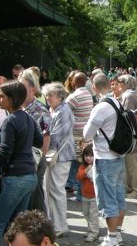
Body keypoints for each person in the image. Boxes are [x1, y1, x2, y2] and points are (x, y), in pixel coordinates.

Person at [0, 81, 43, 246]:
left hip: (15, 177)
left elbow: (4, 152)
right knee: (18, 225)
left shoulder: (10, 120)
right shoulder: (27, 118)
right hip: (29, 176)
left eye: (2, 96)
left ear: (12, 99)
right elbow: (38, 141)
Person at [83, 73, 127, 246]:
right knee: (118, 198)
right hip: (118, 156)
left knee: (108, 200)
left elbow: (86, 134)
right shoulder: (116, 101)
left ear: (94, 87)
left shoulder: (101, 107)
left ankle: (111, 240)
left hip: (105, 158)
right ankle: (117, 234)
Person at [41, 82, 75, 237]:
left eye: (51, 95)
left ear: (60, 96)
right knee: (49, 189)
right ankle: (53, 223)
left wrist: (42, 141)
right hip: (53, 155)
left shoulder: (64, 110)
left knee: (57, 190)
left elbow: (58, 135)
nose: (48, 98)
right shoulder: (53, 109)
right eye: (46, 95)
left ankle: (61, 226)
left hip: (61, 155)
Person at [19, 69, 51, 213]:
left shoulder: (39, 110)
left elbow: (46, 137)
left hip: (35, 161)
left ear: (32, 89)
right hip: (24, 160)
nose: (19, 91)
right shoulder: (21, 109)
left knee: (36, 200)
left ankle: (43, 231)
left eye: (23, 87)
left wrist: (38, 160)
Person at [65, 72, 93, 200]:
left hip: (75, 135)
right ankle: (75, 187)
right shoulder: (88, 94)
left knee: (79, 163)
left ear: (74, 82)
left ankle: (80, 194)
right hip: (85, 134)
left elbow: (64, 115)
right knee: (81, 163)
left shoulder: (73, 97)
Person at [118, 74, 137, 199]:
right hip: (135, 132)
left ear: (124, 84)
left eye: (120, 83)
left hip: (133, 134)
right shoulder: (131, 94)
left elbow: (126, 116)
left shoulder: (128, 96)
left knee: (133, 163)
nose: (118, 86)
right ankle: (132, 188)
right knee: (131, 162)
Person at [77, 144, 99, 242]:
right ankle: (91, 229)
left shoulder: (97, 166)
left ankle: (94, 233)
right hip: (85, 195)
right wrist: (86, 170)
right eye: (86, 156)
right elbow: (78, 176)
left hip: (95, 196)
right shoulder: (83, 166)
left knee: (93, 215)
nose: (88, 158)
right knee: (86, 214)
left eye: (91, 156)